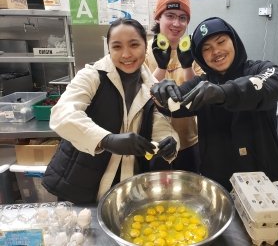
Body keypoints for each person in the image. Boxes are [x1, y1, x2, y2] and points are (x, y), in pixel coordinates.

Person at [42, 18, 180, 204]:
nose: (126, 54)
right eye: (117, 47)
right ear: (109, 49)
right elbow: (62, 114)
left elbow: (159, 122)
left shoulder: (151, 86)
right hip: (81, 183)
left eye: (134, 45)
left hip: (127, 185)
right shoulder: (92, 76)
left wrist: (169, 142)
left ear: (145, 48)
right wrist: (107, 140)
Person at [150, 17, 278, 191]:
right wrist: (162, 91)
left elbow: (271, 85)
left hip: (265, 177)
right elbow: (173, 103)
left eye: (221, 42)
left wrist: (222, 93)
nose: (216, 51)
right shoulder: (200, 84)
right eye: (206, 49)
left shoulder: (262, 69)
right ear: (200, 56)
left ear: (234, 41)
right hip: (218, 182)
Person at [145, 0, 203, 173]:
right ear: (158, 17)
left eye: (182, 17)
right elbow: (140, 97)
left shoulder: (195, 52)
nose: (177, 23)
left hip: (188, 141)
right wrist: (161, 68)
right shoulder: (143, 51)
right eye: (170, 15)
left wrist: (187, 67)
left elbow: (200, 94)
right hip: (153, 142)